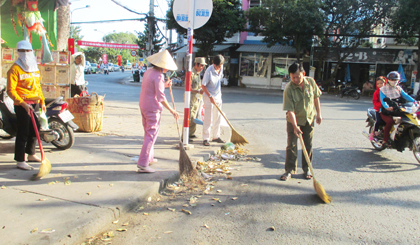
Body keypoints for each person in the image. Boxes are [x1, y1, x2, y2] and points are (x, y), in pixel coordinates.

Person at [137, 50, 179, 173]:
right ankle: (143, 164)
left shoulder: (148, 72)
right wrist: (172, 110)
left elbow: (152, 88)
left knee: (148, 133)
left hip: (144, 106)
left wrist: (165, 85)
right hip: (152, 109)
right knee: (151, 135)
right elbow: (161, 97)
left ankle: (149, 157)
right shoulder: (159, 76)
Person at [6, 40, 45, 170]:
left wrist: (42, 101)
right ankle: (20, 159)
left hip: (34, 103)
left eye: (28, 51)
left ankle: (31, 154)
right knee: (23, 131)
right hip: (22, 104)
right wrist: (22, 104)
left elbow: (38, 87)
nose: (25, 53)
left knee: (36, 129)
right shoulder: (14, 69)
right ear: (18, 52)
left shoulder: (35, 68)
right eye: (22, 51)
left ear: (31, 51)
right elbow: (11, 90)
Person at [281, 62, 322, 181]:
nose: (295, 79)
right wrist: (295, 126)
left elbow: (316, 97)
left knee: (308, 145)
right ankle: (289, 170)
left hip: (309, 119)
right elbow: (290, 110)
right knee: (291, 145)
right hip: (293, 120)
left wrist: (319, 113)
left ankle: (307, 168)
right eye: (293, 77)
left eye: (298, 77)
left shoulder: (311, 82)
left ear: (303, 74)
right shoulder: (288, 89)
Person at [380, 71, 415, 147]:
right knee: (390, 121)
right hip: (386, 111)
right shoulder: (383, 89)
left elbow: (406, 96)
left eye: (395, 80)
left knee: (407, 119)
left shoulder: (398, 88)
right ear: (388, 80)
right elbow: (383, 100)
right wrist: (387, 107)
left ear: (398, 80)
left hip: (397, 109)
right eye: (392, 79)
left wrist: (415, 102)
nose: (393, 81)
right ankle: (385, 140)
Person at [201, 54, 225, 146]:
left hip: (218, 95)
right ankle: (206, 138)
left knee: (218, 117)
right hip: (208, 96)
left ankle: (216, 136)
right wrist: (210, 97)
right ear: (213, 64)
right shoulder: (209, 71)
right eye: (217, 65)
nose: (218, 67)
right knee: (208, 117)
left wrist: (219, 93)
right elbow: (203, 85)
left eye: (220, 65)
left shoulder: (221, 68)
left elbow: (219, 81)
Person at [182, 57, 206, 141]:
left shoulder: (198, 74)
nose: (202, 67)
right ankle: (184, 136)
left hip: (196, 99)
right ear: (196, 64)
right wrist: (197, 91)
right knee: (189, 116)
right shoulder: (191, 74)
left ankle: (191, 133)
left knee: (194, 116)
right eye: (201, 65)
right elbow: (187, 88)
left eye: (203, 66)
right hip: (190, 98)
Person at [369, 76, 386, 140]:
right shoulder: (376, 92)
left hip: (387, 109)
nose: (379, 85)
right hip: (378, 109)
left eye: (381, 83)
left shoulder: (387, 91)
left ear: (385, 83)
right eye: (378, 83)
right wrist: (381, 105)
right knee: (379, 121)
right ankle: (374, 132)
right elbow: (374, 102)